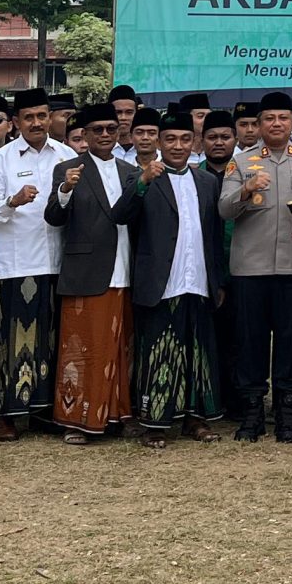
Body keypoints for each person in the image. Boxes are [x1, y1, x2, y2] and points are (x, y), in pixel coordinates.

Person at [220, 91, 292, 442]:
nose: (276, 124)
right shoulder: (242, 162)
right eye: (268, 119)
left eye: (283, 118)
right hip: (251, 268)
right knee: (250, 342)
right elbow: (224, 210)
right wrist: (247, 189)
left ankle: (286, 413)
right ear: (259, 124)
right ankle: (252, 413)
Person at [120, 114, 226, 445]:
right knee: (159, 354)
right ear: (159, 143)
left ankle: (195, 420)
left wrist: (219, 281)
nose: (178, 146)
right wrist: (141, 184)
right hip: (160, 283)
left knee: (198, 354)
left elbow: (215, 235)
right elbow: (120, 216)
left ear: (193, 143)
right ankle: (155, 423)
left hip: (198, 281)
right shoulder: (143, 177)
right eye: (170, 139)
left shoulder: (207, 181)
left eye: (184, 139)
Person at [0, 88, 70, 439]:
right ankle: (8, 413)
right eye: (29, 117)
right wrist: (12, 202)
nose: (36, 123)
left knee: (50, 340)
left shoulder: (66, 156)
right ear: (16, 123)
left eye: (42, 116)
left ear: (50, 118)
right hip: (15, 265)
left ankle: (44, 412)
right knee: (12, 340)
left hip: (55, 264)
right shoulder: (2, 160)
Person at [46, 105, 133, 444]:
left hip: (125, 268)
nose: (106, 135)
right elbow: (53, 218)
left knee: (118, 347)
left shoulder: (130, 171)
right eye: (98, 129)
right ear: (84, 133)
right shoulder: (67, 169)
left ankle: (114, 415)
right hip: (87, 271)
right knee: (82, 351)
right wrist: (64, 191)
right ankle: (77, 419)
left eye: (111, 128)